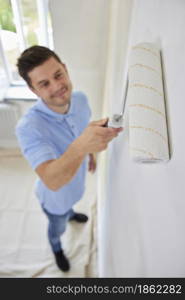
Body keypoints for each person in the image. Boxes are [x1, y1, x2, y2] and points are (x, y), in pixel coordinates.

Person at [16, 45, 123, 272]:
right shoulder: (28, 128)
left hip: (77, 185)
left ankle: (72, 213)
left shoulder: (81, 99)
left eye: (58, 75)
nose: (57, 87)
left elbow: (81, 130)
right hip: (55, 200)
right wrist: (82, 146)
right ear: (33, 90)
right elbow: (52, 181)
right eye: (44, 84)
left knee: (71, 206)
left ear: (65, 69)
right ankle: (56, 247)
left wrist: (90, 155)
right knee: (58, 225)